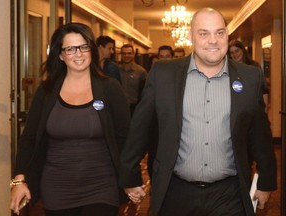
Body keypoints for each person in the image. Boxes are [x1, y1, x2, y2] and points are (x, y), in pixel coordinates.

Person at [119, 8, 277, 216]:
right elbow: (140, 128)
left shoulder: (249, 77)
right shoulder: (163, 74)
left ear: (227, 36)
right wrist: (130, 176)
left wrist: (266, 181)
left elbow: (260, 133)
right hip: (174, 191)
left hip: (229, 193)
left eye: (219, 33)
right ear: (191, 37)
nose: (213, 40)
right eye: (204, 33)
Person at [10, 23, 130, 216]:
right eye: (70, 49)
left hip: (102, 186)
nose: (79, 54)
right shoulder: (46, 92)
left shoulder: (110, 88)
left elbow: (126, 139)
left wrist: (131, 181)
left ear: (92, 50)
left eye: (84, 47)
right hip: (56, 188)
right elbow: (29, 138)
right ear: (60, 55)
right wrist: (19, 180)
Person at [228, 39, 269, 111]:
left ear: (243, 51)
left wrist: (265, 111)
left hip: (254, 109)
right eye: (232, 53)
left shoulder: (254, 67)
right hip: (237, 110)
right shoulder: (229, 69)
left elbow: (264, 90)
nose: (235, 55)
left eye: (237, 51)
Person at [119, 44, 147, 116]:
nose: (126, 56)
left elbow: (145, 93)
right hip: (119, 107)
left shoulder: (141, 71)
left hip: (135, 108)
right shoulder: (116, 70)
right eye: (124, 53)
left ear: (133, 54)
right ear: (121, 55)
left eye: (129, 53)